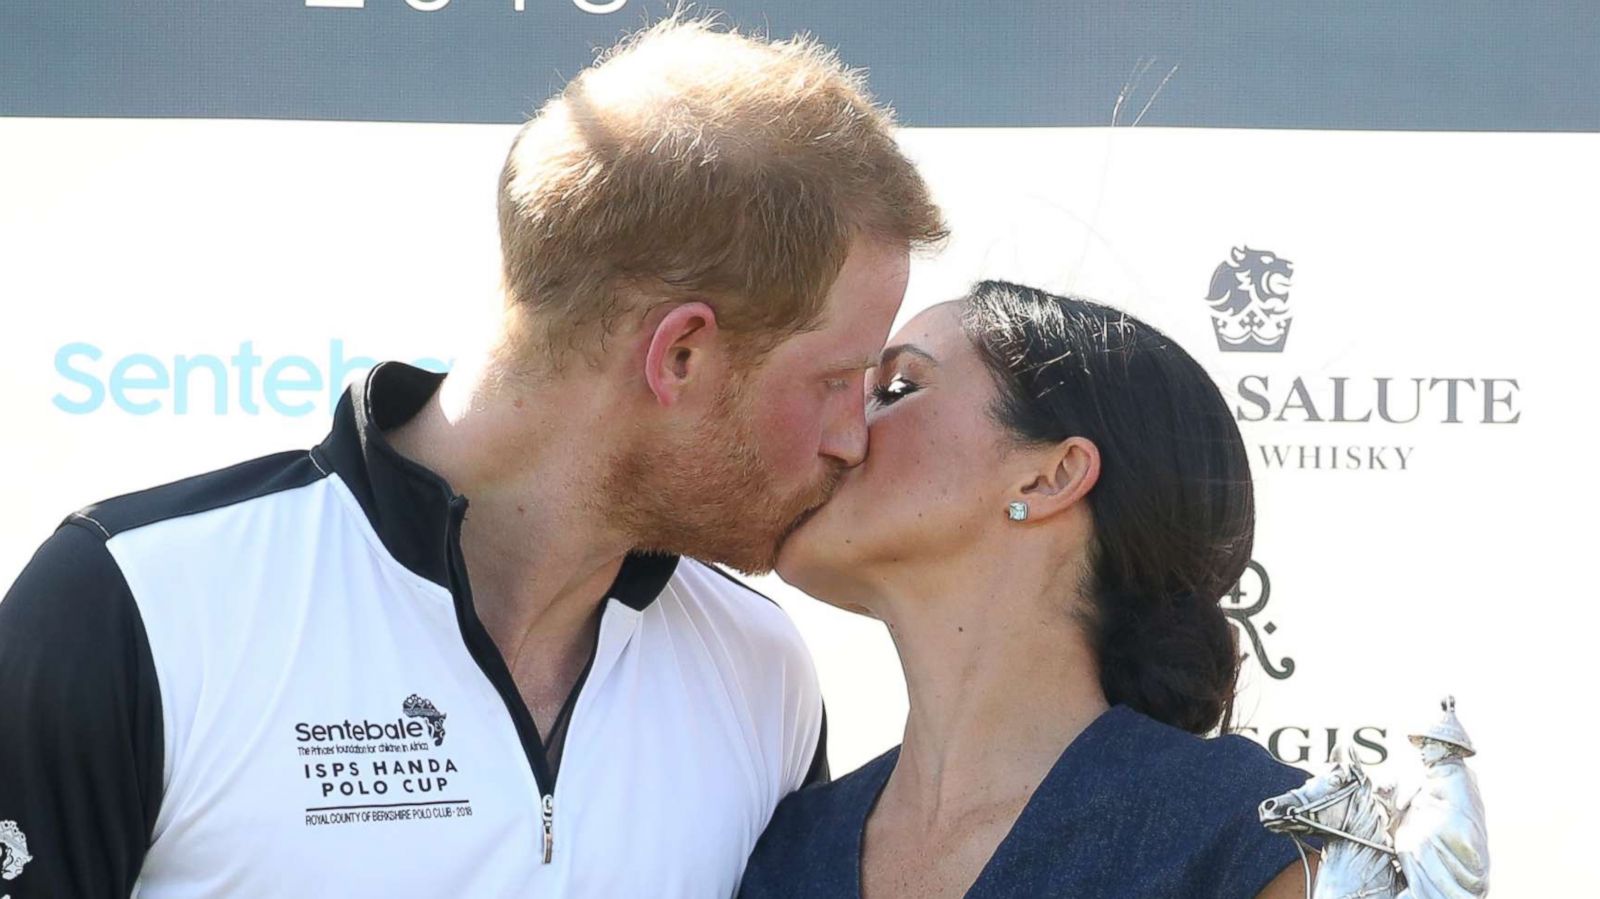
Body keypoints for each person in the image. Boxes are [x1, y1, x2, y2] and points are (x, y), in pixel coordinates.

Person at [0, 17, 944, 898]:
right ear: (680, 355)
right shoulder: (138, 603)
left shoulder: (760, 665)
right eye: (836, 379)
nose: (851, 437)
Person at [739, 281, 1310, 898]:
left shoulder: (1256, 834)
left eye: (897, 389)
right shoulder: (783, 849)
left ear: (1049, 478)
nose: (839, 430)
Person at [1394, 697, 1490, 898]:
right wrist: (1393, 812)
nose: (1423, 749)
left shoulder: (1459, 781)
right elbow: (1412, 818)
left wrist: (1411, 837)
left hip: (1448, 877)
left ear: (1447, 747)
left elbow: (1461, 831)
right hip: (1418, 868)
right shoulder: (1430, 780)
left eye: (1428, 743)